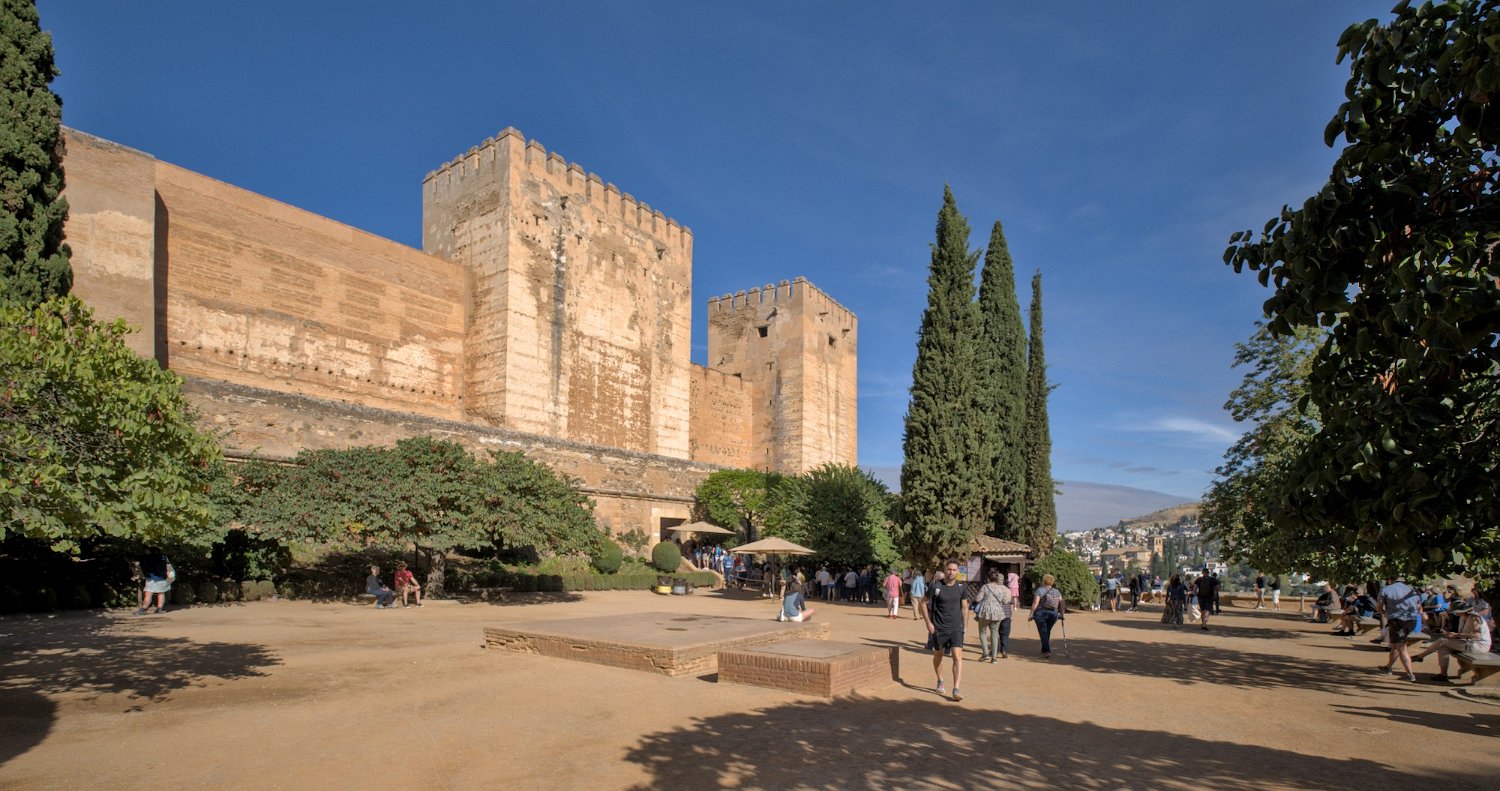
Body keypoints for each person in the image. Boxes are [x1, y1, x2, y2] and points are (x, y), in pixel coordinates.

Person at [922, 560, 971, 701]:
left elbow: (964, 607)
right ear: (945, 570)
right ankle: (940, 679)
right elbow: (923, 603)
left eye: (954, 570)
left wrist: (965, 625)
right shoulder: (936, 586)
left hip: (956, 627)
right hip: (939, 627)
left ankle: (956, 689)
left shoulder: (961, 587)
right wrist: (928, 622)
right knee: (939, 656)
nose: (951, 572)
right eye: (949, 569)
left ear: (958, 571)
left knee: (957, 656)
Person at [1412, 603, 1490, 681]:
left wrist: (1456, 635)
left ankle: (1420, 656)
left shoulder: (1474, 618)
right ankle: (1443, 675)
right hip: (1469, 643)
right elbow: (1464, 635)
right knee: (1443, 648)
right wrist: (1451, 634)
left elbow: (1477, 635)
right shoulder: (1463, 617)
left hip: (1479, 646)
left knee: (1443, 641)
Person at [1378, 576, 1422, 682]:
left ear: (1390, 580)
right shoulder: (1412, 590)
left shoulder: (1386, 589)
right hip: (1411, 620)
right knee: (1395, 645)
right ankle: (1388, 667)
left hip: (1397, 620)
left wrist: (1384, 613)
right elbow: (1419, 606)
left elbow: (1379, 606)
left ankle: (1410, 674)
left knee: (1401, 647)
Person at [974, 569, 1014, 662]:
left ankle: (985, 653)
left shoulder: (985, 587)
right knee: (994, 634)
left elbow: (978, 599)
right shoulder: (1002, 589)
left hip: (985, 612)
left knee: (982, 632)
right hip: (998, 612)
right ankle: (994, 657)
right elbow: (1005, 601)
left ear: (988, 578)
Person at [1029, 573, 1066, 658]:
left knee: (1043, 632)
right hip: (1054, 613)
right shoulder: (1056, 591)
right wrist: (1062, 614)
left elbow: (1035, 603)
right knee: (1046, 631)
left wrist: (1031, 614)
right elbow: (1061, 602)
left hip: (1041, 612)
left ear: (1044, 581)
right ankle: (1044, 649)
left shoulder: (1040, 590)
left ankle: (1047, 651)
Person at [135, 546, 174, 615]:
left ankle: (144, 609)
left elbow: (142, 566)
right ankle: (159, 608)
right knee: (161, 593)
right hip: (163, 578)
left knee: (148, 593)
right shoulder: (164, 557)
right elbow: (169, 566)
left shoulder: (147, 557)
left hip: (151, 578)